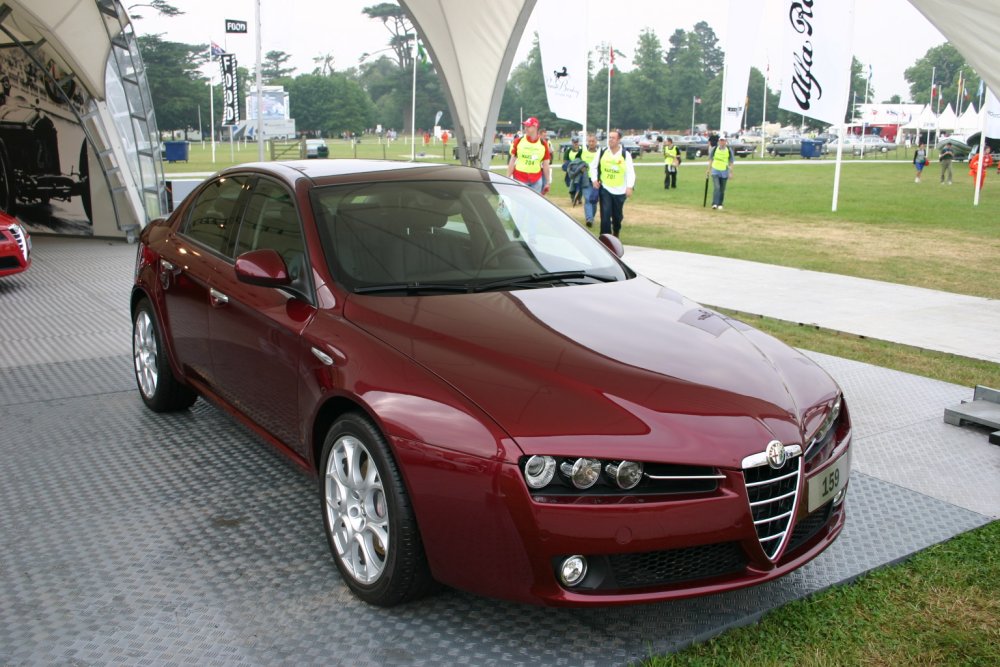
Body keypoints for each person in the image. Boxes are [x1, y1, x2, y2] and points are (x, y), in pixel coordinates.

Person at [589, 129, 636, 237]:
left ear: (619, 140)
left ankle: (616, 231)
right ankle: (605, 237)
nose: (610, 140)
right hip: (605, 188)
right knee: (605, 214)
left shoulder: (625, 155)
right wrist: (594, 179)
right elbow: (593, 166)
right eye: (609, 137)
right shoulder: (602, 152)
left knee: (617, 216)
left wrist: (629, 187)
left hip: (620, 191)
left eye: (613, 138)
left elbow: (630, 172)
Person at [507, 117, 552, 195]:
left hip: (536, 180)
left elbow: (546, 165)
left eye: (528, 126)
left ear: (535, 127)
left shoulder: (543, 144)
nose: (526, 128)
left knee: (534, 204)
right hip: (519, 178)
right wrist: (507, 177)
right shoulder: (518, 141)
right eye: (525, 126)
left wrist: (547, 182)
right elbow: (512, 161)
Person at [706, 136, 735, 210]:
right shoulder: (714, 149)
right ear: (719, 142)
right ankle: (714, 203)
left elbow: (731, 161)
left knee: (722, 189)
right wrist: (708, 169)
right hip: (715, 170)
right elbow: (710, 159)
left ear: (725, 142)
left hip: (724, 171)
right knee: (717, 187)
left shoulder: (729, 150)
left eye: (723, 141)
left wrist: (731, 172)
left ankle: (720, 203)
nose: (722, 142)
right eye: (721, 141)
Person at [579, 134, 599, 227]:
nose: (591, 143)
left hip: (596, 181)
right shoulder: (583, 152)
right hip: (586, 179)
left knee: (594, 200)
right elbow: (578, 163)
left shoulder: (599, 153)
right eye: (589, 141)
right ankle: (589, 219)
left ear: (596, 142)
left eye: (593, 141)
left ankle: (592, 216)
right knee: (587, 199)